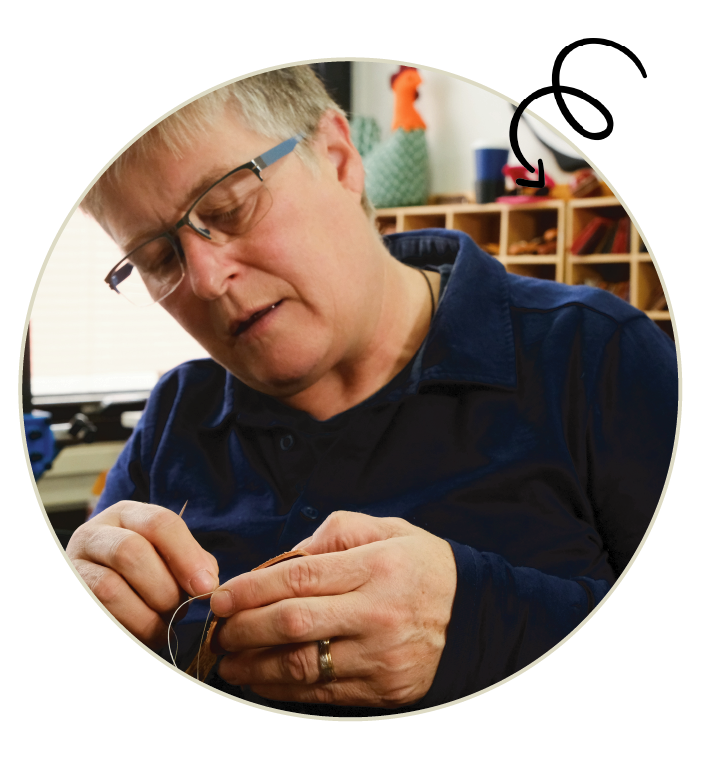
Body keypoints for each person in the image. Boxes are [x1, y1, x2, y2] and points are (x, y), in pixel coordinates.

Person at [66, 65, 678, 717]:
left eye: (227, 208)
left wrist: (480, 623)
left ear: (336, 158)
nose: (208, 279)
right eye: (161, 258)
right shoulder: (174, 416)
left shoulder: (597, 354)